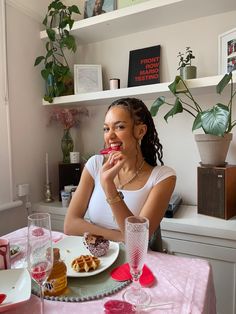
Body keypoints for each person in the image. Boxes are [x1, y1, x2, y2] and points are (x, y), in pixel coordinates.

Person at [64, 97, 176, 242]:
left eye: (119, 127)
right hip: (97, 260)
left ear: (140, 131)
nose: (110, 136)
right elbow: (70, 225)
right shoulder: (94, 165)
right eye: (106, 129)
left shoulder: (163, 177)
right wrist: (122, 237)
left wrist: (109, 186)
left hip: (135, 262)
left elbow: (138, 239)